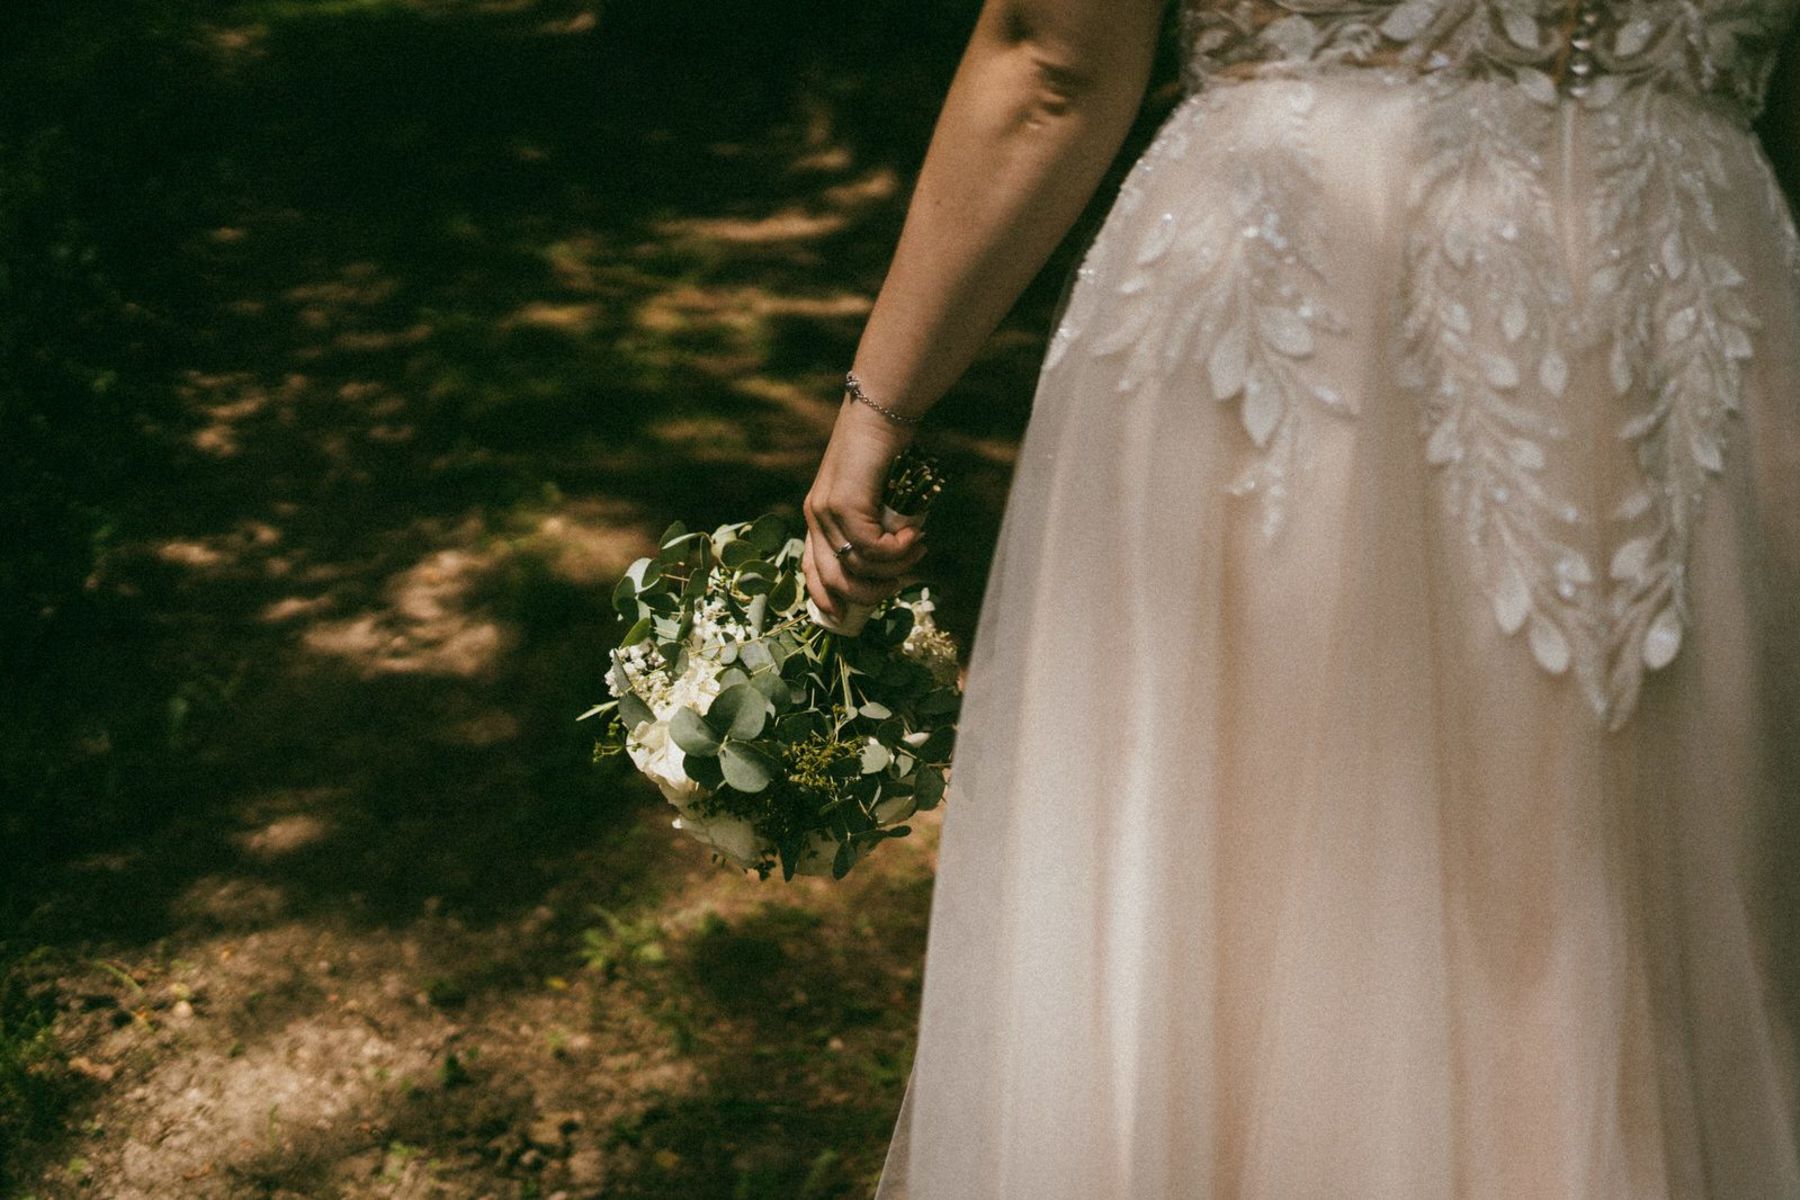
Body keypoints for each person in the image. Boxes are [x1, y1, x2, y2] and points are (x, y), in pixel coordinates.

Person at [802, 0, 1800, 1194]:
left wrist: (878, 410)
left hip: (1311, 304)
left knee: (1285, 909)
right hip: (1679, 306)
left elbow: (1052, 65)